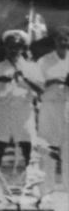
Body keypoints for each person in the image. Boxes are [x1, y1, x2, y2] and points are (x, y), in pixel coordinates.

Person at [0, 29, 44, 167]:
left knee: (28, 146)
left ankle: (31, 184)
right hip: (2, 110)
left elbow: (41, 89)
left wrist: (26, 78)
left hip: (24, 111)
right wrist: (0, 78)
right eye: (10, 46)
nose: (13, 49)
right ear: (5, 47)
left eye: (17, 46)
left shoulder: (31, 67)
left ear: (23, 48)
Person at [38, 27, 69, 178]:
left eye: (66, 38)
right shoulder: (44, 61)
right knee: (48, 146)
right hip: (49, 106)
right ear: (54, 41)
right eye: (60, 39)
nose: (64, 42)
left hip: (67, 106)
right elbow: (35, 84)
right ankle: (45, 189)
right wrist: (54, 80)